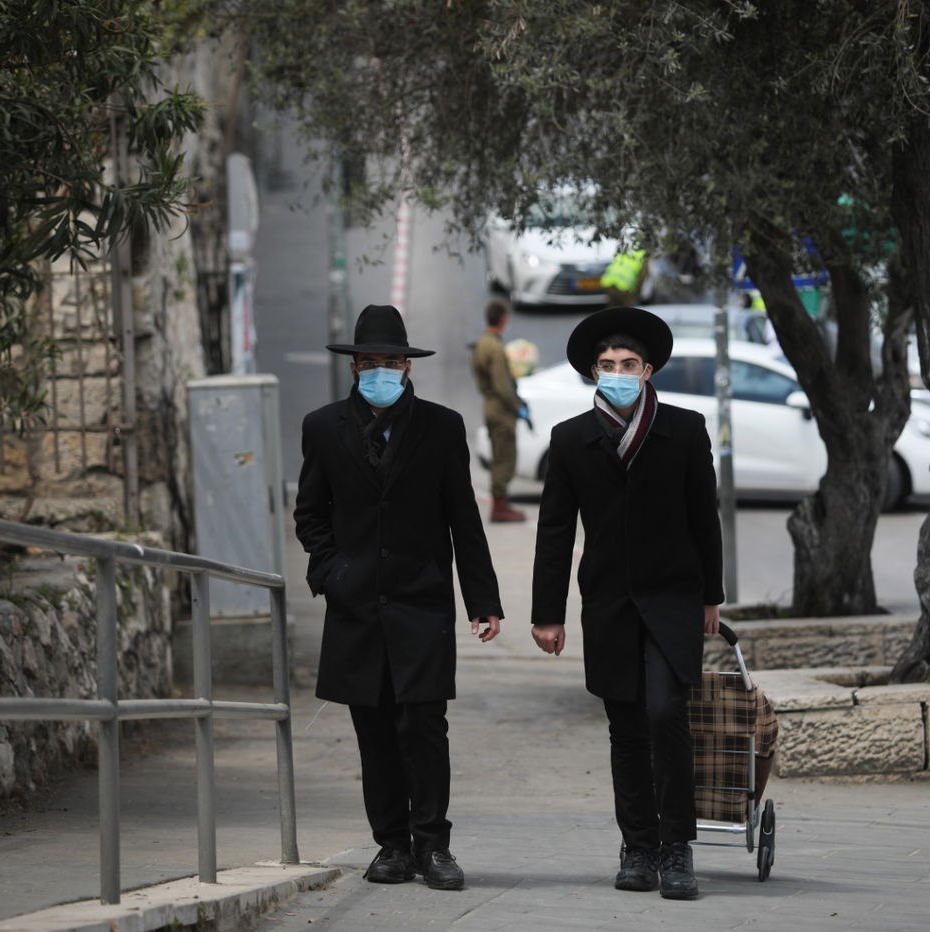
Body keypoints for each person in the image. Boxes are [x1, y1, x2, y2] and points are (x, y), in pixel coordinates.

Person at [294, 303, 504, 892]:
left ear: (407, 368)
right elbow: (311, 515)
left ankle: (433, 846)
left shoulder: (441, 427)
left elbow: (465, 519)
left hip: (422, 602)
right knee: (375, 731)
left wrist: (481, 601)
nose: (380, 371)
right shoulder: (323, 426)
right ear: (355, 366)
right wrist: (331, 572)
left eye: (391, 361)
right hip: (356, 607)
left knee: (424, 727)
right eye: (370, 362)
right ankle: (390, 844)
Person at [529, 306, 724, 900]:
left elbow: (704, 519)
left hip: (672, 598)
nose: (618, 372)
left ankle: (677, 847)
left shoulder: (685, 430)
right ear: (593, 372)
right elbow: (555, 529)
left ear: (649, 370)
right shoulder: (570, 439)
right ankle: (637, 847)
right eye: (608, 365)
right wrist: (548, 612)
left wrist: (711, 597)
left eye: (629, 364)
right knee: (626, 728)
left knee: (667, 714)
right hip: (609, 603)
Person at [470, 298, 528, 522]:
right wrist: (517, 407)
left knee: (498, 455)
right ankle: (500, 507)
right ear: (503, 319)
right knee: (505, 458)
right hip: (501, 408)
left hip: (490, 404)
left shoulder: (482, 343)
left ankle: (501, 504)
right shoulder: (494, 347)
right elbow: (502, 385)